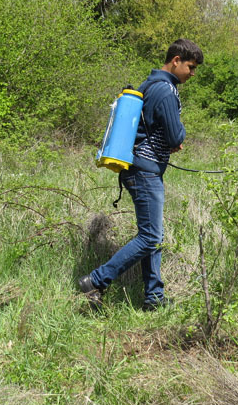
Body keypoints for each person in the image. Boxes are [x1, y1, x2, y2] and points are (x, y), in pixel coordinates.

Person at [79, 39, 203, 310]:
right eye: (191, 67)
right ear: (176, 60)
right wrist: (178, 137)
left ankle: (154, 296)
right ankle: (97, 281)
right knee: (150, 237)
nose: (192, 74)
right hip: (146, 172)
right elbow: (175, 134)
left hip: (138, 169)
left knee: (151, 236)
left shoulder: (149, 84)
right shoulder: (166, 90)